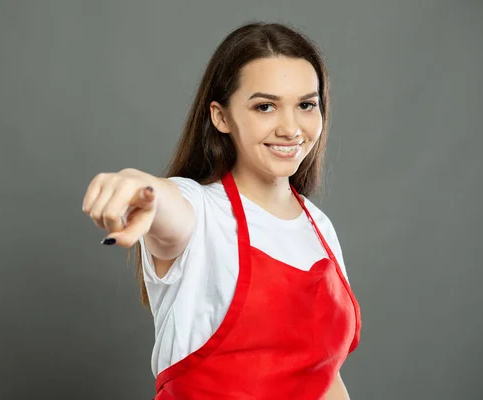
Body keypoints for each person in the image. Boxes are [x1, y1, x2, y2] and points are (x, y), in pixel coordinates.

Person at [82, 21, 361, 399]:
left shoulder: (320, 229)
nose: (291, 128)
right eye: (265, 106)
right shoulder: (201, 211)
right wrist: (140, 188)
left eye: (306, 105)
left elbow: (324, 376)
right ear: (221, 116)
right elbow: (168, 204)